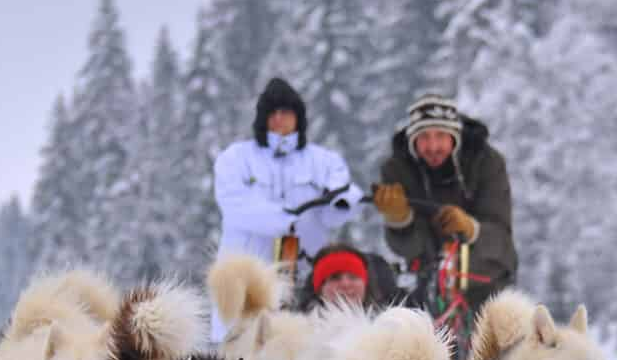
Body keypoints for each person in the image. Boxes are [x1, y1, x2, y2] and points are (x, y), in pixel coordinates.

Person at [213, 77, 363, 339]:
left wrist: (342, 204)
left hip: (305, 277)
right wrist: (285, 221)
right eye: (272, 113)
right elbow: (236, 206)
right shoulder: (236, 158)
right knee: (243, 349)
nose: (279, 119)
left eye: (286, 112)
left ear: (299, 118)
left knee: (303, 351)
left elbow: (337, 204)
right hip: (249, 280)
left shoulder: (324, 161)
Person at [371, 93, 517, 334]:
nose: (433, 146)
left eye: (440, 136)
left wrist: (471, 229)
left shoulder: (487, 163)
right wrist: (399, 221)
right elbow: (409, 249)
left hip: (488, 280)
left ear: (455, 137)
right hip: (428, 282)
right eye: (424, 137)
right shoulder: (397, 169)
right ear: (413, 141)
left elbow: (501, 238)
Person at [290, 243, 409, 313]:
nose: (346, 284)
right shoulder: (299, 333)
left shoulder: (390, 328)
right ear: (320, 289)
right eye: (335, 278)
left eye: (353, 277)